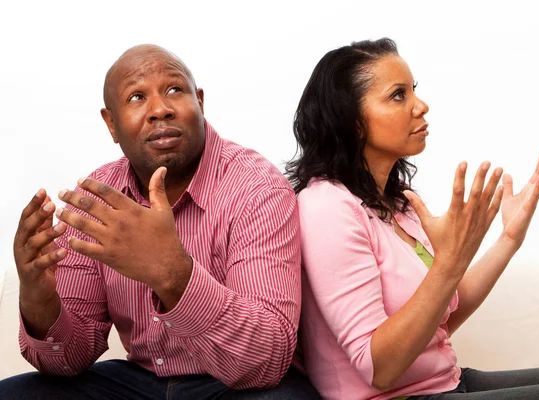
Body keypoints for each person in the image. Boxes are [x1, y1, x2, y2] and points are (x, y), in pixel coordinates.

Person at [286, 37, 539, 399]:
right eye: (398, 95)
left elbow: (440, 320)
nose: (421, 106)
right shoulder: (327, 207)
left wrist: (508, 239)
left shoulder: (397, 204)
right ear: (353, 122)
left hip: (445, 384)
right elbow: (380, 368)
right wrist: (449, 262)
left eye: (413, 90)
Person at [2, 44, 319, 400]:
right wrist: (39, 300)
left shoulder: (257, 187)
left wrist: (170, 272)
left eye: (174, 90)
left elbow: (267, 360)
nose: (160, 110)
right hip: (139, 381)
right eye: (137, 97)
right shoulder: (97, 202)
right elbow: (69, 361)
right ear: (111, 124)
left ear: (199, 101)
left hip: (232, 386)